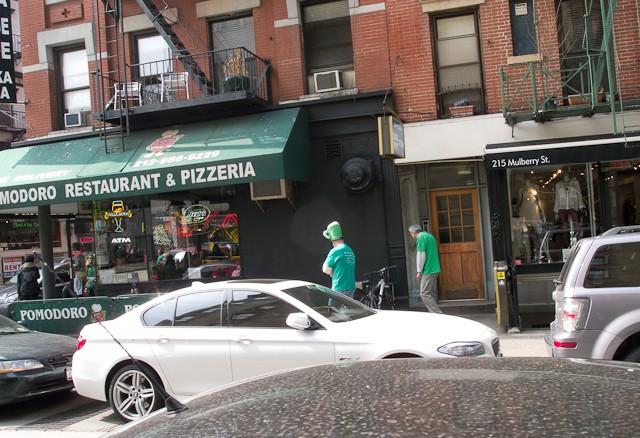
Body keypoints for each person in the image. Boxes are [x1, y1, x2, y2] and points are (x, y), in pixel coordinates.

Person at [408, 224, 443, 313]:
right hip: (434, 267)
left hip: (429, 269)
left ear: (413, 233)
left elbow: (421, 255)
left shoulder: (421, 238)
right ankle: (434, 313)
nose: (411, 236)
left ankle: (437, 314)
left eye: (411, 233)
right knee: (428, 292)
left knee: (424, 293)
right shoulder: (430, 236)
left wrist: (419, 271)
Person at [322, 221, 356, 298]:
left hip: (339, 288)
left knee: (334, 306)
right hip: (351, 287)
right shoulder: (349, 250)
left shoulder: (335, 251)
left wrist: (331, 271)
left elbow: (325, 270)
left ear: (332, 240)